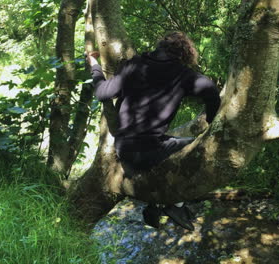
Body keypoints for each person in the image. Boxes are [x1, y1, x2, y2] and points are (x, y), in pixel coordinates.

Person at [87, 32, 221, 231]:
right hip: (151, 150)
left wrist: (94, 65)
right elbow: (211, 90)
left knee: (171, 144)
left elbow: (102, 92)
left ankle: (156, 205)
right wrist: (211, 120)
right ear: (184, 54)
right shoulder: (183, 74)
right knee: (199, 147)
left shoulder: (134, 65)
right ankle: (175, 204)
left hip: (124, 149)